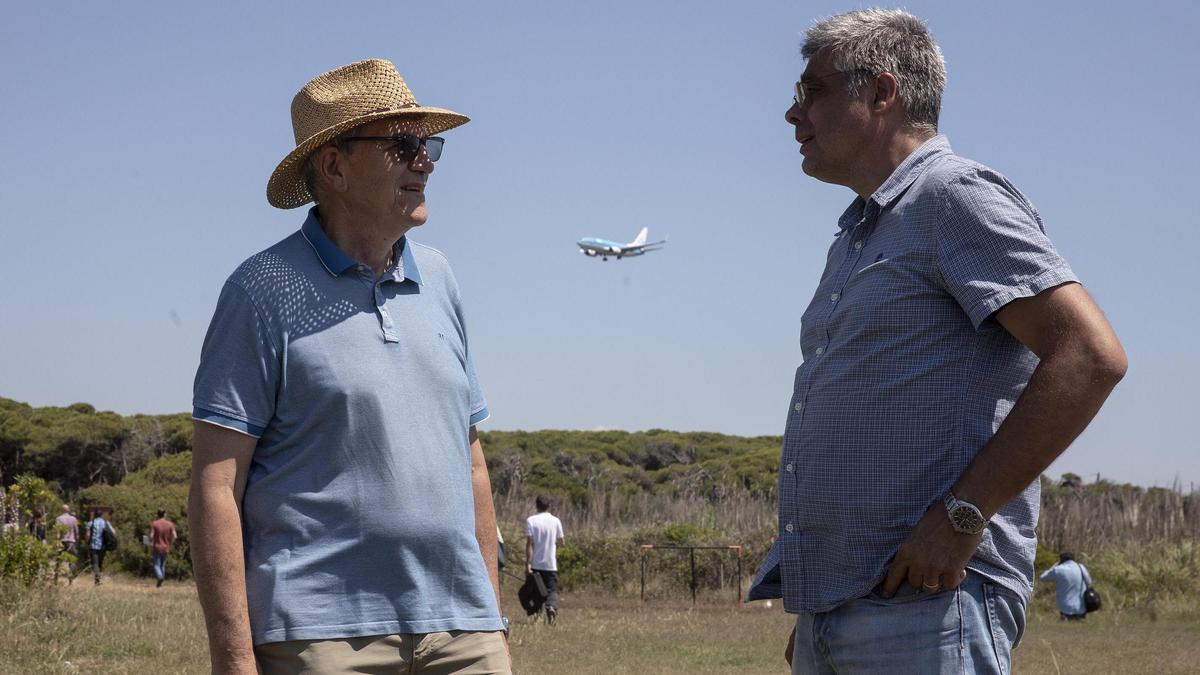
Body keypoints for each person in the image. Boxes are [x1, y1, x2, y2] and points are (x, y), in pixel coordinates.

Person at [746, 9, 1127, 674]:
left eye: (813, 91)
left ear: (882, 93)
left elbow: (1090, 354)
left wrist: (961, 516)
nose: (792, 113)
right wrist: (825, 608)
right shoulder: (860, 232)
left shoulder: (952, 195)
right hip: (848, 611)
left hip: (930, 605)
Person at [189, 58, 509, 674]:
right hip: (320, 638)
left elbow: (471, 463)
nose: (427, 161)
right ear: (333, 166)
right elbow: (215, 488)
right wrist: (234, 660)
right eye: (403, 143)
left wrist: (490, 619)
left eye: (428, 143)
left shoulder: (441, 277)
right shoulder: (261, 290)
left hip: (462, 635)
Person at [525, 496, 565, 625]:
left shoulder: (531, 521)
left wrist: (528, 563)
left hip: (536, 563)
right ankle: (551, 607)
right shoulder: (556, 521)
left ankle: (538, 615)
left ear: (536, 505)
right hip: (551, 564)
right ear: (549, 506)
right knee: (551, 589)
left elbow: (529, 544)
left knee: (537, 590)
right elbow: (561, 542)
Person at [1039, 552, 1093, 620]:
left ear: (1061, 560)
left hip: (1065, 609)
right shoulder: (1080, 567)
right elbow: (1089, 581)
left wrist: (1054, 566)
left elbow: (1042, 577)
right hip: (1081, 608)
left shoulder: (1058, 569)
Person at [148, 509, 177, 588]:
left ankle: (160, 577)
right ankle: (161, 583)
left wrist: (150, 541)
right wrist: (170, 542)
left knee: (156, 565)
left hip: (157, 547)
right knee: (162, 565)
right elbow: (175, 536)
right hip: (166, 547)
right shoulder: (170, 524)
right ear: (165, 514)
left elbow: (151, 536)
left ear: (157, 514)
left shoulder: (154, 524)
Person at [86, 508, 114, 586]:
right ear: (101, 515)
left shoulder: (91, 523)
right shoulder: (106, 523)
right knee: (100, 563)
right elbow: (113, 532)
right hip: (103, 546)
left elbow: (88, 535)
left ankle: (97, 579)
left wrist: (87, 542)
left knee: (95, 563)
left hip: (93, 546)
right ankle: (98, 579)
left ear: (95, 515)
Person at [54, 504, 80, 582]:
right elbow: (76, 532)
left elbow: (57, 532)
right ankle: (71, 579)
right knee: (72, 560)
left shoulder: (58, 519)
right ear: (68, 510)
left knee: (58, 561)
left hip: (62, 541)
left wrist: (57, 541)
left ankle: (56, 578)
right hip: (71, 541)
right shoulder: (74, 519)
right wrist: (76, 540)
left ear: (62, 510)